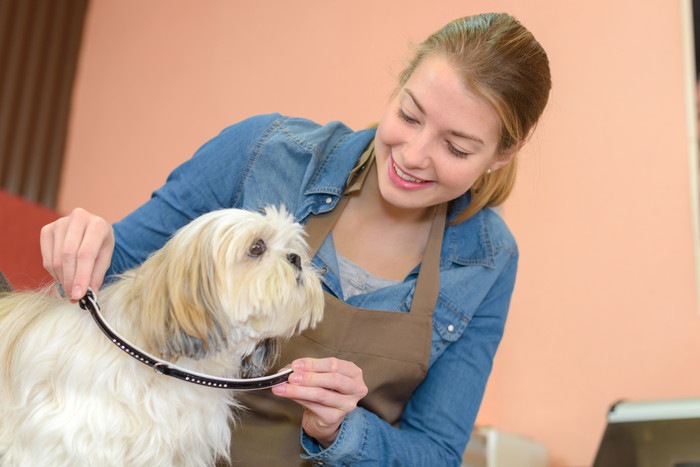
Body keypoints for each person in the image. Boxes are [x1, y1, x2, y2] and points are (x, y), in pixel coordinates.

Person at [40, 12, 551, 466]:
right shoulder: (264, 154)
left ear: (500, 156)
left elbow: (436, 453)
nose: (413, 154)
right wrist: (87, 243)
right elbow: (113, 282)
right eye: (409, 115)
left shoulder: (486, 260)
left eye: (456, 147)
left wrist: (341, 431)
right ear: (397, 85)